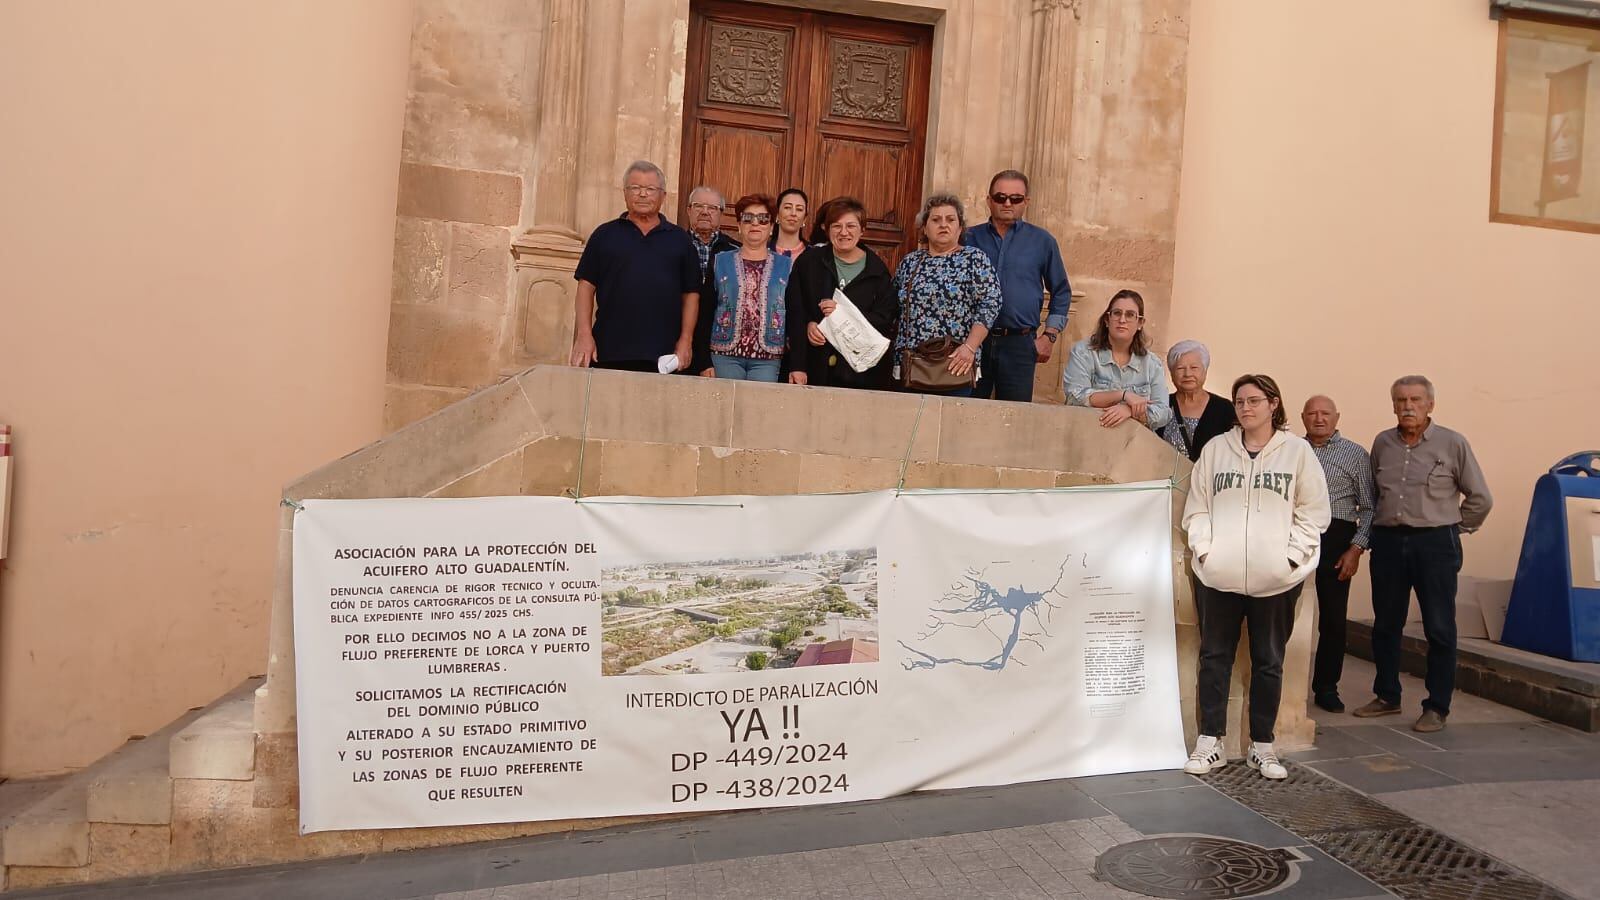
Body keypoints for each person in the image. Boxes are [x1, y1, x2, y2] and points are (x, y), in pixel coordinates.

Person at [1183, 374, 1331, 780]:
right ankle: (1209, 742)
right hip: (1218, 577)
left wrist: (1289, 558)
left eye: (1254, 401)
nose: (1246, 408)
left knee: (1269, 662)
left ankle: (1262, 746)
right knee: (1214, 658)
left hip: (1277, 580)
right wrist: (1207, 552)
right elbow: (1196, 508)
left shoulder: (1297, 453)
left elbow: (1314, 512)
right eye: (1239, 402)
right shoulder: (1216, 450)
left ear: (1273, 404)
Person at [1353, 376, 1492, 733]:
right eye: (1400, 400)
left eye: (1415, 399)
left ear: (1430, 404)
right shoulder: (1383, 443)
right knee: (1385, 623)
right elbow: (1374, 493)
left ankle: (1437, 706)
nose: (1407, 406)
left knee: (1439, 627)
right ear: (1393, 405)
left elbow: (1480, 498)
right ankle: (1387, 695)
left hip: (1435, 544)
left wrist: (1453, 529)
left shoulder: (1452, 443)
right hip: (1388, 542)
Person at [570, 161, 700, 372]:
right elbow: (586, 287)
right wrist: (584, 335)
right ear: (624, 193)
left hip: (663, 355)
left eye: (650, 189)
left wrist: (686, 341)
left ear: (663, 196)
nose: (642, 194)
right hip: (609, 350)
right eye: (635, 188)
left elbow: (691, 295)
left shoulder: (680, 240)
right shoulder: (604, 235)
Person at [962, 169, 1071, 402]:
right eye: (1000, 197)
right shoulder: (967, 238)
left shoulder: (1043, 241)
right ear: (989, 201)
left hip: (1019, 344)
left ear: (1026, 202)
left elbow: (1061, 292)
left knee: (1015, 418)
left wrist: (1049, 336)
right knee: (965, 412)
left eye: (1016, 198)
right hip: (972, 342)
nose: (1008, 203)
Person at [1301, 395, 1375, 714]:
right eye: (1313, 413)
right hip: (1297, 534)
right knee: (1283, 614)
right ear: (1303, 417)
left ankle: (1327, 687)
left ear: (1336, 417)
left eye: (1325, 413)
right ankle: (1281, 684)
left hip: (1337, 537)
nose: (1319, 419)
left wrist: (1356, 548)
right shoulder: (1291, 449)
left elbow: (1370, 506)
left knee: (1332, 618)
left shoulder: (1355, 454)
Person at [892, 193, 1002, 397]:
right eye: (936, 220)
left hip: (956, 362)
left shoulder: (974, 259)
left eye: (950, 219)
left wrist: (970, 348)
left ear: (960, 227)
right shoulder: (910, 262)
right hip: (914, 365)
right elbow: (893, 306)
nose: (943, 225)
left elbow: (990, 305)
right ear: (924, 227)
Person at [786, 197, 898, 389]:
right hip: (814, 370)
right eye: (836, 226)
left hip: (861, 375)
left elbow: (885, 319)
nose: (844, 232)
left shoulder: (877, 271)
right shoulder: (809, 262)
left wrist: (843, 314)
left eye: (851, 226)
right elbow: (794, 311)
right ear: (826, 229)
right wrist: (808, 326)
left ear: (862, 230)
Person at [704, 194, 794, 382]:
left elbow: (794, 314)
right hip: (724, 355)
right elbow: (706, 310)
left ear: (771, 227)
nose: (755, 224)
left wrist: (796, 364)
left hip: (767, 358)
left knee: (759, 410)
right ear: (739, 225)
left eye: (762, 219)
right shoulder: (720, 261)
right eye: (747, 218)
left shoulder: (786, 266)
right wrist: (703, 360)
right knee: (725, 409)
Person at [1063, 290, 1171, 431]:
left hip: (1133, 445)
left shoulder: (1152, 363)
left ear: (1140, 323)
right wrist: (1123, 395)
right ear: (1107, 320)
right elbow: (1074, 398)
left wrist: (1129, 410)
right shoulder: (1084, 353)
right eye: (1117, 313)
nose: (1122, 320)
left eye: (1130, 315)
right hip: (1089, 436)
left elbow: (1163, 412)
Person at [1162, 339, 1235, 460]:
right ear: (1171, 374)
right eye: (1180, 368)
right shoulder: (1162, 405)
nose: (1187, 374)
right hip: (1168, 477)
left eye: (1194, 367)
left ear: (1205, 371)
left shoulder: (1225, 408)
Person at [685, 186, 736, 280]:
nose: (705, 212)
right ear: (689, 211)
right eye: (698, 206)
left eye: (712, 208)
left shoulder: (735, 250)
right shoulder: (674, 245)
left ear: (721, 214)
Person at [772, 188, 810, 261]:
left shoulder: (814, 254)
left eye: (799, 209)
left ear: (805, 218)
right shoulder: (763, 250)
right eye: (787, 207)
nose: (793, 213)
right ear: (777, 214)